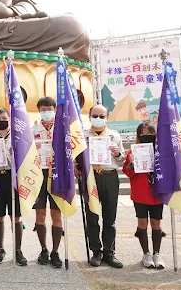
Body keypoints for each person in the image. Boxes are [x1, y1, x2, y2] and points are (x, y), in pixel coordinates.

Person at [83, 104, 125, 268]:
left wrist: (117, 153)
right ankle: (96, 251)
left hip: (110, 177)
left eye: (102, 116)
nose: (98, 119)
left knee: (110, 218)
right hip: (91, 178)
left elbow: (121, 159)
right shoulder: (83, 135)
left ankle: (109, 252)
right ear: (89, 116)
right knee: (92, 216)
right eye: (95, 116)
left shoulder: (114, 135)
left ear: (107, 117)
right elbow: (76, 157)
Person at [122, 122, 165, 269]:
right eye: (142, 133)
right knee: (142, 223)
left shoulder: (160, 151)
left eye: (149, 133)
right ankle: (146, 253)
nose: (146, 136)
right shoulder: (131, 152)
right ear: (138, 135)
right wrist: (132, 163)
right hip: (140, 193)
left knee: (156, 224)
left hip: (156, 194)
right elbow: (127, 172)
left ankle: (157, 253)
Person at [0, 108, 26, 265]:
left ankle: (18, 250)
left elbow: (27, 157)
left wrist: (16, 153)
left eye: (5, 118)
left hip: (13, 178)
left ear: (9, 120)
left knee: (15, 216)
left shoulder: (18, 138)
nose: (2, 120)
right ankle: (1, 249)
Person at [31, 97, 63, 268]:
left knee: (56, 214)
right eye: (43, 109)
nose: (46, 112)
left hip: (57, 174)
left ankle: (55, 251)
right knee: (40, 214)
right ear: (39, 111)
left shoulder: (61, 129)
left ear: (55, 109)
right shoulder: (33, 130)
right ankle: (43, 249)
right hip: (39, 175)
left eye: (49, 109)